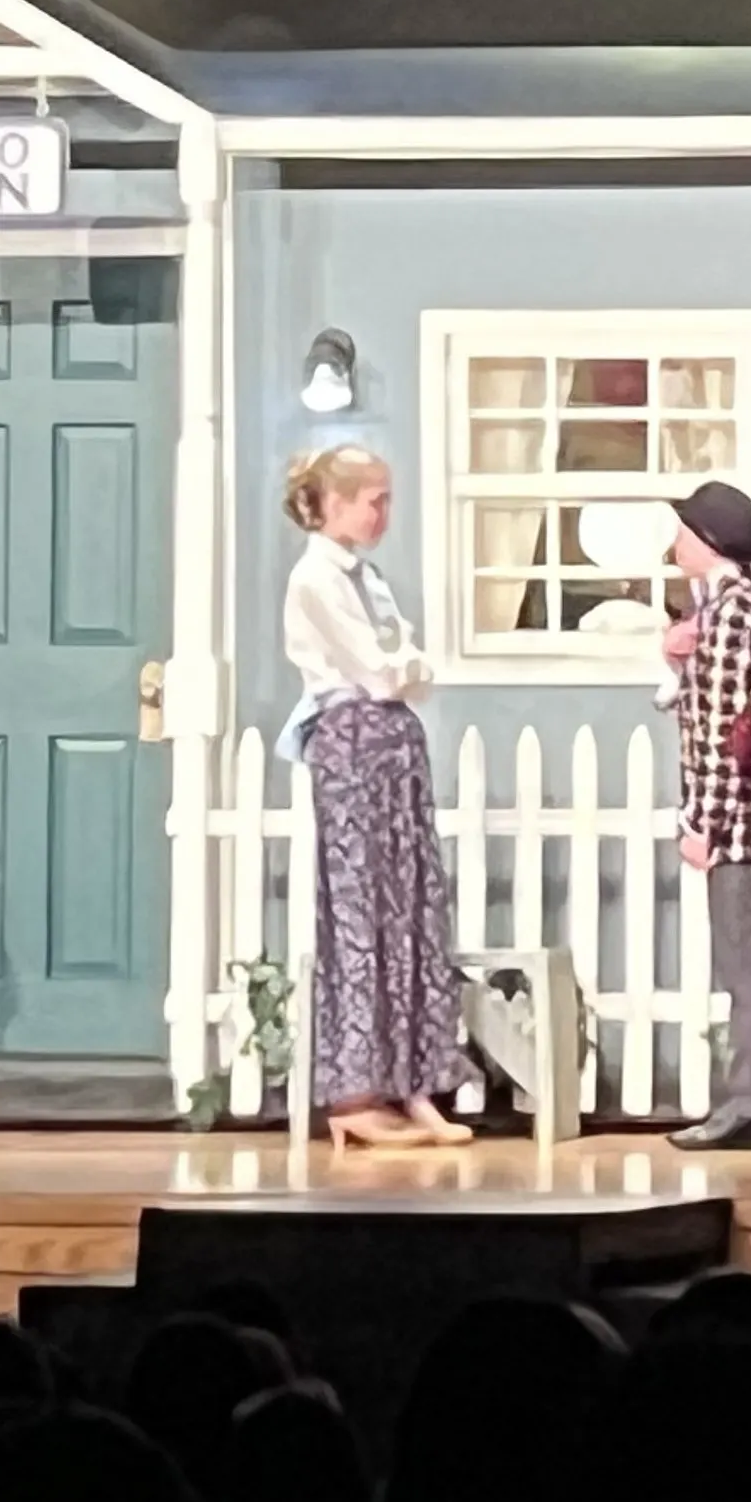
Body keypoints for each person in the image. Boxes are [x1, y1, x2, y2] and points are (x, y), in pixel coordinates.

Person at [279, 444, 476, 1152]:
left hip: (394, 741)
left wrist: (404, 668)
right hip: (353, 742)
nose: (383, 514)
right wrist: (402, 669)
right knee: (361, 910)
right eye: (374, 500)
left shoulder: (369, 578)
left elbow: (410, 664)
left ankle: (414, 1081)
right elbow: (380, 669)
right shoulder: (315, 579)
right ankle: (355, 1093)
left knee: (411, 905)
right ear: (334, 503)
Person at [659, 479, 751, 1150]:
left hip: (743, 822)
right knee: (749, 958)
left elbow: (728, 731)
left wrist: (703, 822)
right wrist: (676, 658)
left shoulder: (736, 613)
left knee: (745, 961)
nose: (675, 545)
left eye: (684, 532)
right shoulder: (728, 608)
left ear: (709, 540)